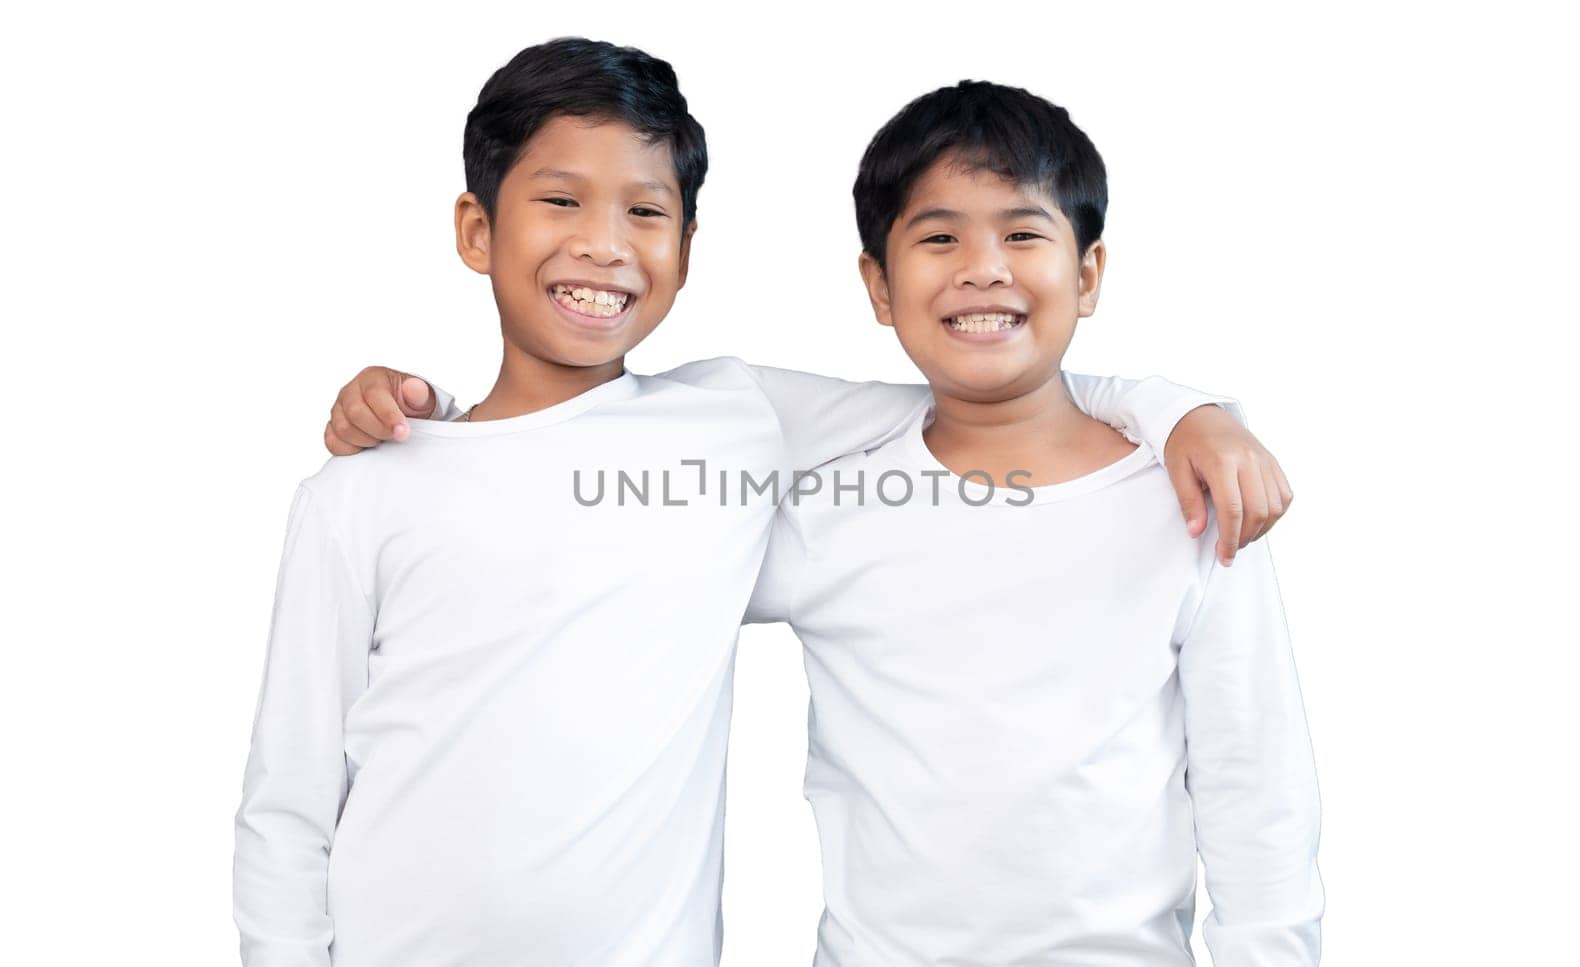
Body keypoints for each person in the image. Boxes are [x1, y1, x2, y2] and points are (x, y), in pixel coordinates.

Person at [258, 37, 1289, 967]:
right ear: (477, 230)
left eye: (645, 212)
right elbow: (287, 806)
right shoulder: (369, 489)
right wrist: (426, 410)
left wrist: (1185, 411)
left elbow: (989, 394)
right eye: (561, 201)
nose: (604, 244)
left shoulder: (733, 423)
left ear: (687, 247)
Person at [739, 80, 1323, 965]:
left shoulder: (1190, 497)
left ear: (1086, 274)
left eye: (1022, 233)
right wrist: (458, 428)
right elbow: (623, 544)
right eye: (938, 237)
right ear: (879, 284)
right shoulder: (832, 504)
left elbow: (1257, 788)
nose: (983, 266)